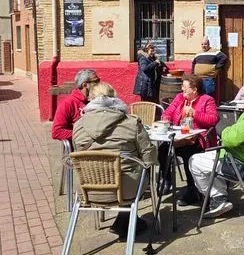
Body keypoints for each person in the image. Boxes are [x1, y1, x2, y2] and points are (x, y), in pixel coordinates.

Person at [72, 82, 158, 236]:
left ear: (91, 99)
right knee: (140, 171)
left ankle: (125, 220)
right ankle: (127, 220)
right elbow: (148, 155)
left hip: (88, 189)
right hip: (126, 188)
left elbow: (78, 154)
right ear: (114, 97)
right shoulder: (131, 122)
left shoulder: (78, 126)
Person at [189, 84, 244, 218]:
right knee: (209, 157)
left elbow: (230, 139)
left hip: (242, 166)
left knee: (194, 161)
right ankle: (220, 196)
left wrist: (224, 130)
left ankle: (217, 197)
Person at [159, 74, 219, 206]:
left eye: (185, 87)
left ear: (195, 89)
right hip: (180, 136)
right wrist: (166, 119)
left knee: (189, 152)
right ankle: (166, 180)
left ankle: (192, 189)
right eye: (182, 86)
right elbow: (168, 111)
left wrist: (194, 113)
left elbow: (213, 119)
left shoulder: (206, 100)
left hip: (199, 139)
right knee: (162, 149)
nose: (182, 89)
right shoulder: (180, 98)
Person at [51, 69, 100, 141]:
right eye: (96, 82)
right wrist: (83, 135)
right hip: (82, 147)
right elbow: (57, 132)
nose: (99, 84)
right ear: (85, 85)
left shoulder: (99, 99)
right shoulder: (67, 103)